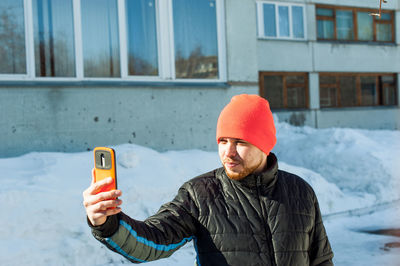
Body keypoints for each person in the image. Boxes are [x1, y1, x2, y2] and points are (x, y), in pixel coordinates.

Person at [83, 94, 334, 265]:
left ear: (265, 145)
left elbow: (321, 260)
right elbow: (152, 241)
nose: (228, 151)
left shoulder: (300, 192)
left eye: (241, 142)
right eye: (223, 141)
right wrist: (108, 224)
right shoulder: (201, 194)